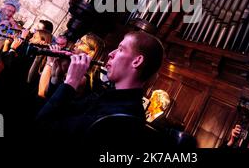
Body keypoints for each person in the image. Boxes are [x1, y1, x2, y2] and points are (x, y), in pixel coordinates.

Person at [34, 31, 164, 147]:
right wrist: (56, 77)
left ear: (137, 61)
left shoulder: (122, 117)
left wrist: (71, 82)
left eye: (120, 49)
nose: (111, 54)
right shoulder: (105, 96)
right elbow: (60, 111)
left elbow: (43, 125)